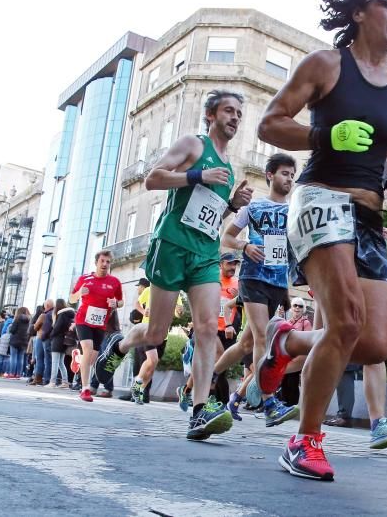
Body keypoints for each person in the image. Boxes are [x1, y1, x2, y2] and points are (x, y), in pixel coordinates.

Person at [255, 0, 387, 481]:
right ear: (359, 11)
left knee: (372, 344)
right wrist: (322, 133)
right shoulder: (327, 64)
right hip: (320, 198)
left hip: (369, 217)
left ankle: (288, 341)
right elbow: (269, 122)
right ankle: (303, 440)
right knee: (346, 322)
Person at [95, 89, 253, 440]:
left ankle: (199, 411)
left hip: (205, 253)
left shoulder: (227, 166)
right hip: (172, 246)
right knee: (156, 334)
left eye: (239, 114)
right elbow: (154, 178)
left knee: (208, 327)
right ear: (211, 115)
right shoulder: (194, 145)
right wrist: (197, 176)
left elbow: (207, 215)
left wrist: (231, 205)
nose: (235, 118)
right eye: (229, 111)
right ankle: (119, 345)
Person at [215, 153, 299, 426]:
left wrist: (288, 290)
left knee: (246, 344)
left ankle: (206, 379)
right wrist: (245, 246)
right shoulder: (253, 207)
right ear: (270, 175)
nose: (289, 179)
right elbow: (227, 237)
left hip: (277, 284)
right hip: (253, 278)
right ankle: (268, 403)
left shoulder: (294, 212)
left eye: (292, 175)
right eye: (285, 173)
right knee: (264, 338)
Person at [69, 250, 123, 402]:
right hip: (83, 320)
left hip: (100, 324)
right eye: (102, 261)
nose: (105, 264)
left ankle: (78, 360)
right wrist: (79, 292)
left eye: (108, 262)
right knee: (87, 348)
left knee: (91, 358)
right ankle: (85, 389)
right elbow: (72, 299)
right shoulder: (84, 279)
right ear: (96, 263)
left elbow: (121, 301)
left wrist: (115, 303)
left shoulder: (115, 282)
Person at [47, 298, 73, 388]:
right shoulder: (69, 314)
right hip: (64, 341)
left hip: (57, 340)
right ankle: (65, 382)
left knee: (55, 362)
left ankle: (52, 382)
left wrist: (51, 335)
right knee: (61, 362)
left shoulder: (61, 315)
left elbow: (57, 328)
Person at [6, 306, 31, 379]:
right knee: (20, 358)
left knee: (13, 357)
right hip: (23, 341)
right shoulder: (28, 320)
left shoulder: (17, 319)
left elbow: (13, 330)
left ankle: (11, 373)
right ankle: (18, 374)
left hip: (15, 340)